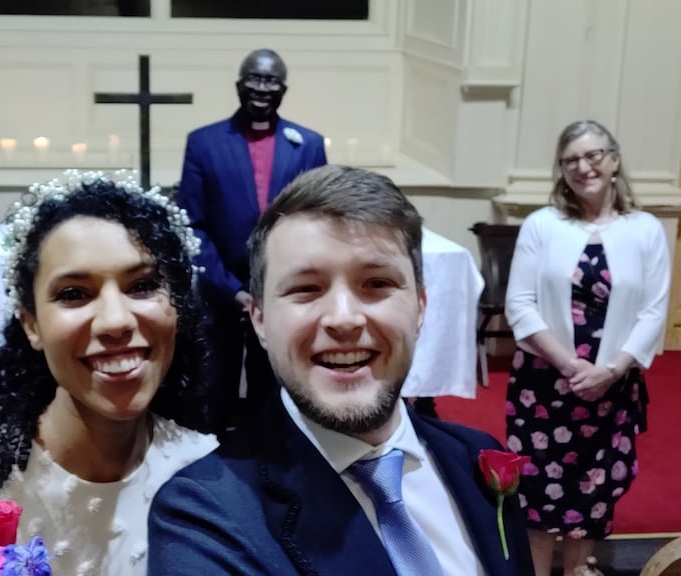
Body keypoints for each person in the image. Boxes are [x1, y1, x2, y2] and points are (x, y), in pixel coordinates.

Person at [149, 165, 533, 575]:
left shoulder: (476, 457)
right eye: (306, 289)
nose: (344, 318)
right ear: (259, 320)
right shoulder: (202, 516)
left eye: (376, 283)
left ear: (420, 307)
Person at [0, 171, 218, 576]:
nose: (115, 321)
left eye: (141, 286)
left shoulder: (215, 483)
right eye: (73, 293)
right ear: (30, 323)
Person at [504, 120, 670, 576]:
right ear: (561, 170)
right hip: (544, 385)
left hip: (611, 386)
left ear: (614, 160)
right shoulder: (543, 225)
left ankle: (578, 572)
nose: (583, 167)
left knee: (593, 493)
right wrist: (570, 365)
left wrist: (610, 370)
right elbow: (519, 303)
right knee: (537, 493)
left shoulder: (644, 229)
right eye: (571, 160)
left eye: (593, 155)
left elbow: (654, 310)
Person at [177, 48, 327, 434]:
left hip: (282, 290)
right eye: (254, 79)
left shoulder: (308, 144)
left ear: (284, 89)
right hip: (219, 291)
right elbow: (192, 225)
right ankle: (214, 455)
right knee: (214, 386)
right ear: (238, 85)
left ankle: (270, 455)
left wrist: (274, 286)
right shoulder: (204, 143)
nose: (262, 88)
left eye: (271, 80)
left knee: (276, 387)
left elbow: (317, 221)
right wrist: (232, 290)